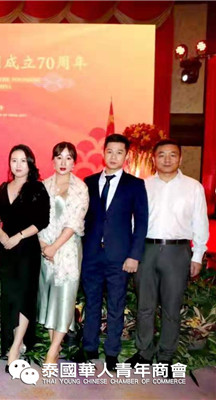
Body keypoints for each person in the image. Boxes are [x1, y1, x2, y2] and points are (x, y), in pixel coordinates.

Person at [126, 139, 209, 371]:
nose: (167, 159)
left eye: (172, 155)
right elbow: (133, 221)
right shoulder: (143, 185)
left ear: (180, 158)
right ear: (154, 158)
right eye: (161, 155)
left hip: (177, 251)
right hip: (146, 249)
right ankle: (144, 352)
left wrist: (197, 255)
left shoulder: (193, 187)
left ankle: (165, 356)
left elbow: (200, 222)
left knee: (172, 307)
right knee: (145, 305)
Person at [74, 133, 148, 371]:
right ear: (103, 153)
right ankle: (89, 347)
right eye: (109, 151)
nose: (113, 156)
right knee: (92, 303)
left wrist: (134, 255)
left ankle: (112, 353)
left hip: (120, 257)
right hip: (92, 255)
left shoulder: (135, 185)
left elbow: (142, 223)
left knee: (116, 305)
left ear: (126, 156)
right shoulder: (88, 182)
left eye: (119, 152)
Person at [0, 144, 50, 372]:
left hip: (27, 250)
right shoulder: (3, 188)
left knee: (23, 298)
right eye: (14, 160)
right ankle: (12, 342)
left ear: (30, 164)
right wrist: (1, 234)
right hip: (7, 250)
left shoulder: (37, 188)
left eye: (22, 161)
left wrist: (18, 237)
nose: (18, 165)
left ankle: (16, 347)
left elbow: (42, 221)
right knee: (9, 297)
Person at [37, 142, 89, 364]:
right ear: (53, 161)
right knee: (49, 299)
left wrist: (54, 247)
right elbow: (37, 219)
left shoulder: (80, 188)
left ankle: (52, 352)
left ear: (74, 163)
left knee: (65, 299)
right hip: (44, 250)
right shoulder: (43, 186)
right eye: (59, 157)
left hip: (67, 250)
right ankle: (54, 347)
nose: (63, 162)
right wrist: (43, 245)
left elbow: (74, 222)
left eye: (68, 158)